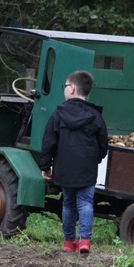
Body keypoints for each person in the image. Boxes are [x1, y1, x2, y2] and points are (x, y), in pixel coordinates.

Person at [39, 70, 108, 254]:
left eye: (65, 86)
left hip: (64, 167)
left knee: (68, 203)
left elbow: (48, 142)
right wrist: (96, 159)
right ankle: (84, 241)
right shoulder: (96, 116)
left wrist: (45, 166)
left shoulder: (58, 114)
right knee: (86, 202)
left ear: (72, 88)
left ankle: (69, 242)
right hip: (87, 168)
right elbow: (103, 144)